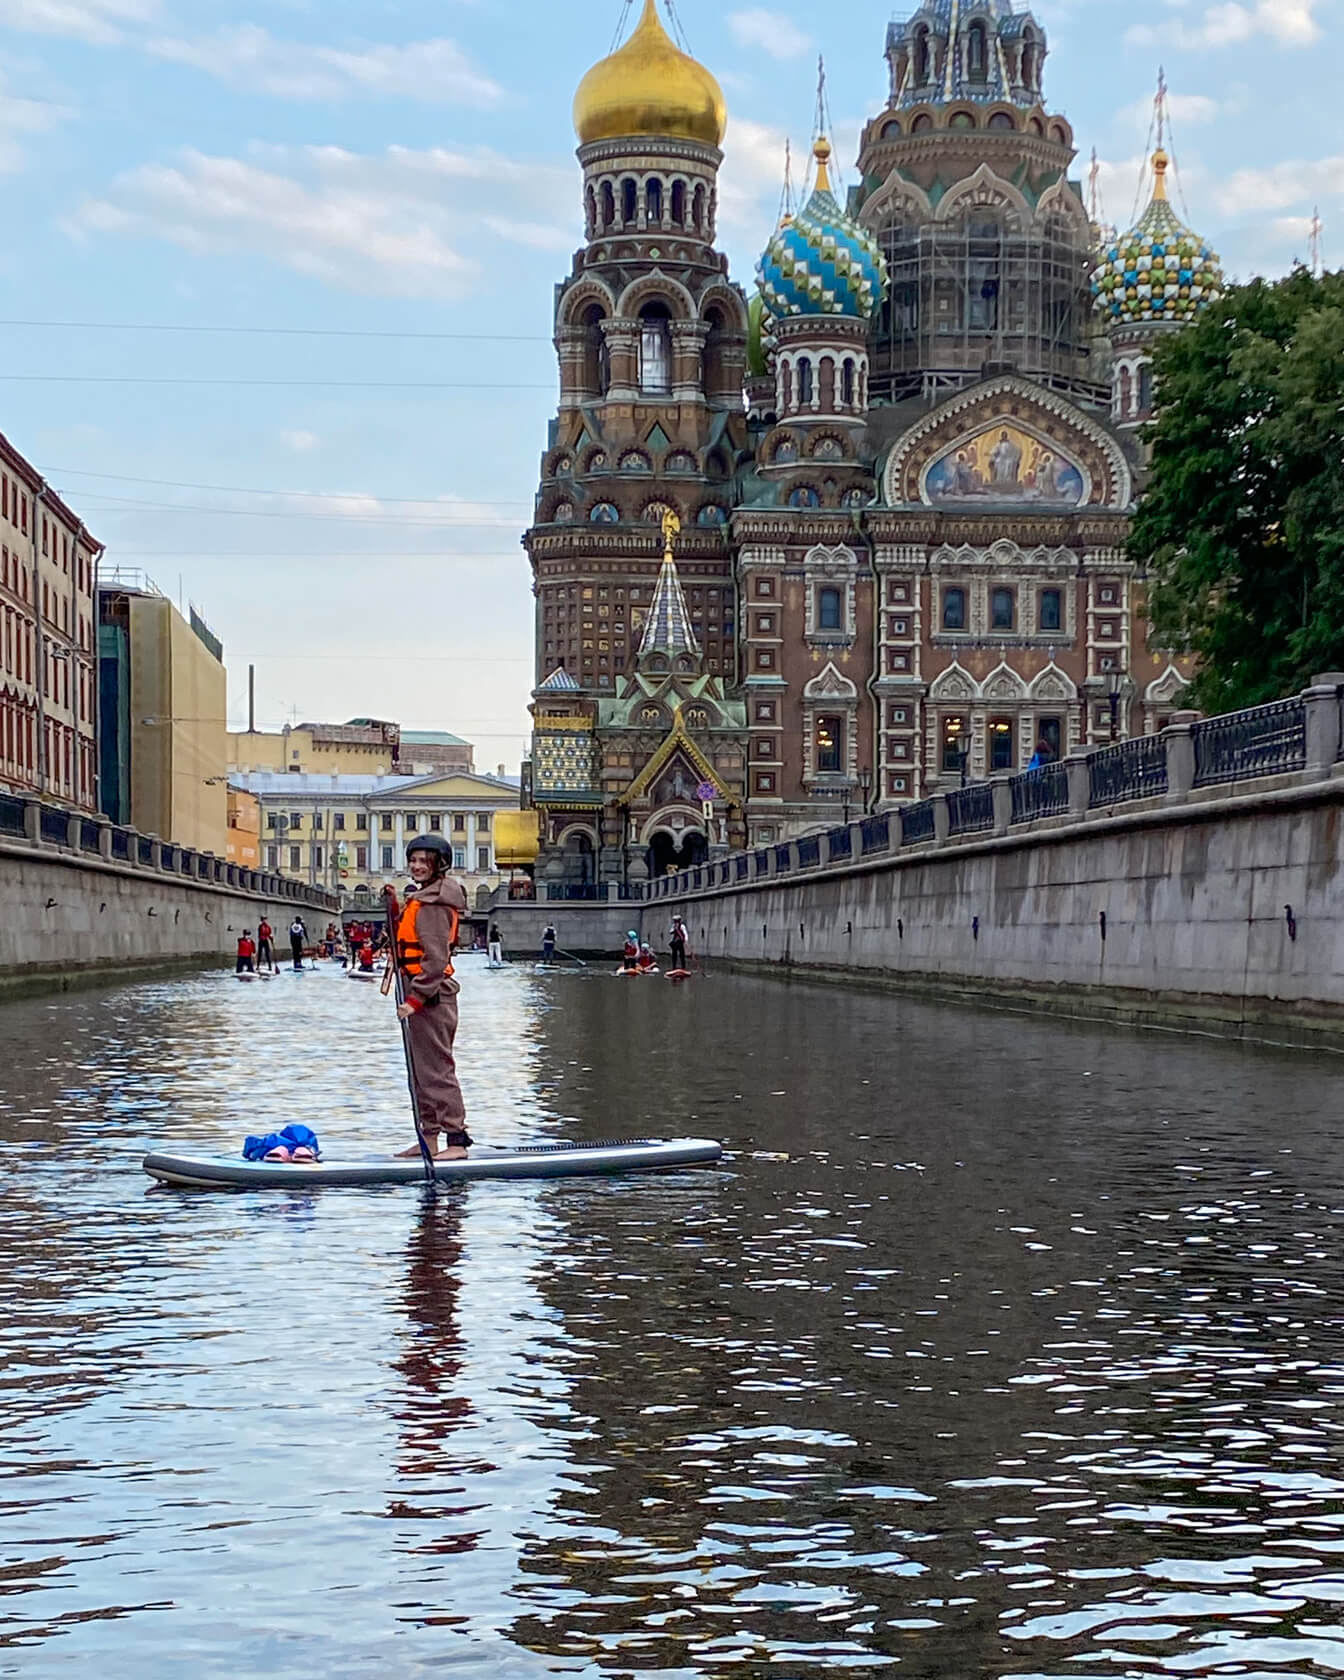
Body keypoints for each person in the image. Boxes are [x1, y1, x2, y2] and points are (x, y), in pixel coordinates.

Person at [394, 835, 472, 1160]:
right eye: (413, 860)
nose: (416, 866)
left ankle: (456, 1141)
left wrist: (415, 1000)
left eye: (424, 861)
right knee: (420, 1070)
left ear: (438, 865)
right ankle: (428, 1138)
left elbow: (436, 961)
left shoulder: (435, 904)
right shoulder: (421, 899)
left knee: (438, 1069)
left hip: (432, 998)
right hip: (419, 994)